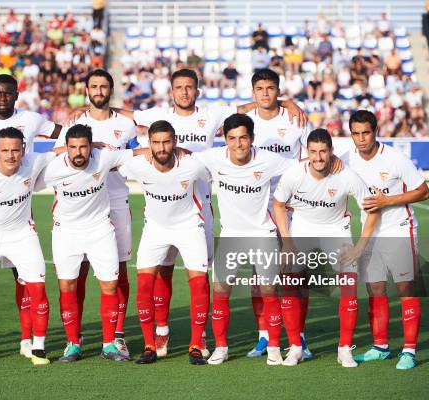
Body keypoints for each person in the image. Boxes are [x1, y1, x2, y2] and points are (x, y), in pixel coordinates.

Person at [115, 68, 306, 358]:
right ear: (172, 90)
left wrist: (288, 103)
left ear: (197, 90)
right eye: (178, 87)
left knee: (227, 278)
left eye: (189, 87)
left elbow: (250, 106)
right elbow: (127, 118)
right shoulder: (158, 116)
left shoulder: (214, 116)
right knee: (163, 272)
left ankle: (209, 338)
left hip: (201, 210)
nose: (184, 92)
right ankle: (162, 333)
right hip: (164, 210)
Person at [0, 73, 61, 358]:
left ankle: (27, 339)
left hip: (20, 211)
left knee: (25, 278)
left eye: (8, 93)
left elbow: (63, 134)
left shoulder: (32, 119)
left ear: (17, 94)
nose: (2, 97)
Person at [192, 114, 296, 365]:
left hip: (263, 234)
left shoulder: (269, 160)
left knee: (269, 291)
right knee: (220, 292)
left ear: (252, 138)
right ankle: (221, 347)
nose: (238, 144)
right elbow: (180, 156)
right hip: (230, 235)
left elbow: (301, 166)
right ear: (224, 139)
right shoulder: (212, 158)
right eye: (232, 138)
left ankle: (273, 347)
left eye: (243, 138)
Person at [273, 128, 380, 368]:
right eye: (313, 152)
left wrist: (361, 246)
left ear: (331, 152)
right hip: (302, 229)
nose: (318, 157)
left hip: (336, 232)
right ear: (307, 152)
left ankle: (344, 349)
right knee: (291, 285)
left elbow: (372, 208)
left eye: (323, 152)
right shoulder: (294, 174)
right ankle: (295, 348)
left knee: (350, 289)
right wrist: (287, 242)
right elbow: (278, 204)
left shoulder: (347, 175)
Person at [38, 124, 146, 362]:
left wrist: (176, 150)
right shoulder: (52, 168)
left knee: (109, 285)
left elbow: (135, 153)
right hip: (66, 232)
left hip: (100, 230)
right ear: (65, 148)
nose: (78, 153)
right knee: (67, 286)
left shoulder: (103, 157)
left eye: (84, 147)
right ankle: (73, 344)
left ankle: (108, 345)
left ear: (91, 147)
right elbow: (24, 183)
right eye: (73, 147)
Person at [55, 69, 138, 358]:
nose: (99, 90)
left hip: (116, 200)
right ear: (87, 89)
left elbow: (137, 153)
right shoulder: (76, 121)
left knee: (119, 270)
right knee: (77, 271)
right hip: (83, 207)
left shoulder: (127, 123)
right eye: (94, 86)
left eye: (104, 86)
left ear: (110, 89)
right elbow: (58, 156)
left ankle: (117, 334)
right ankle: (74, 336)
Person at [343, 110, 429, 370]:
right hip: (369, 233)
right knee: (375, 288)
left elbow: (424, 192)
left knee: (404, 288)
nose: (361, 139)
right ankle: (380, 346)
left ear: (375, 131)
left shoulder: (395, 159)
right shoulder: (347, 159)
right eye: (356, 133)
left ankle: (410, 351)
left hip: (399, 229)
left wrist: (387, 201)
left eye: (365, 132)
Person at [118, 120, 210, 365]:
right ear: (149, 143)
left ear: (175, 142)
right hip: (156, 229)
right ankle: (150, 344)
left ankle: (196, 344)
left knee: (200, 284)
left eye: (167, 141)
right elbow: (108, 159)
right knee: (145, 284)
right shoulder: (137, 165)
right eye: (156, 142)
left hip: (190, 227)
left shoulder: (192, 165)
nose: (161, 147)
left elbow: (216, 169)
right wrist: (138, 152)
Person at [244, 68, 312, 359]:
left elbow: (311, 156)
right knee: (260, 277)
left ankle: (300, 337)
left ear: (278, 91)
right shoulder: (246, 122)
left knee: (296, 276)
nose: (265, 93)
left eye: (270, 88)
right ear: (253, 92)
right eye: (260, 88)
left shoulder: (295, 118)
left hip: (293, 207)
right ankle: (264, 336)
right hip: (258, 209)